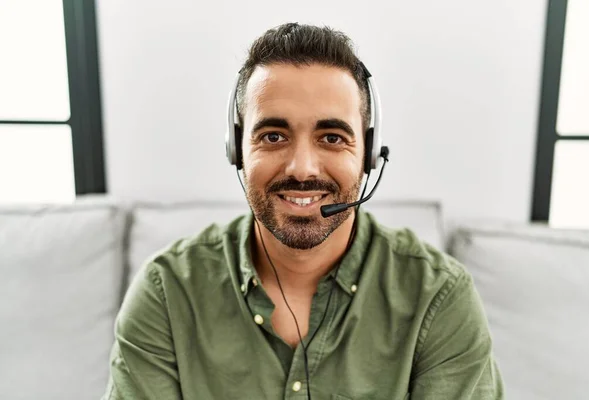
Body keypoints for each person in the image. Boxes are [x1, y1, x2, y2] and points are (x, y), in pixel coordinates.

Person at [102, 22, 504, 400]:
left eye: (332, 137)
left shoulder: (439, 297)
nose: (302, 168)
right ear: (236, 150)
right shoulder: (167, 294)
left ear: (369, 154)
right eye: (273, 135)